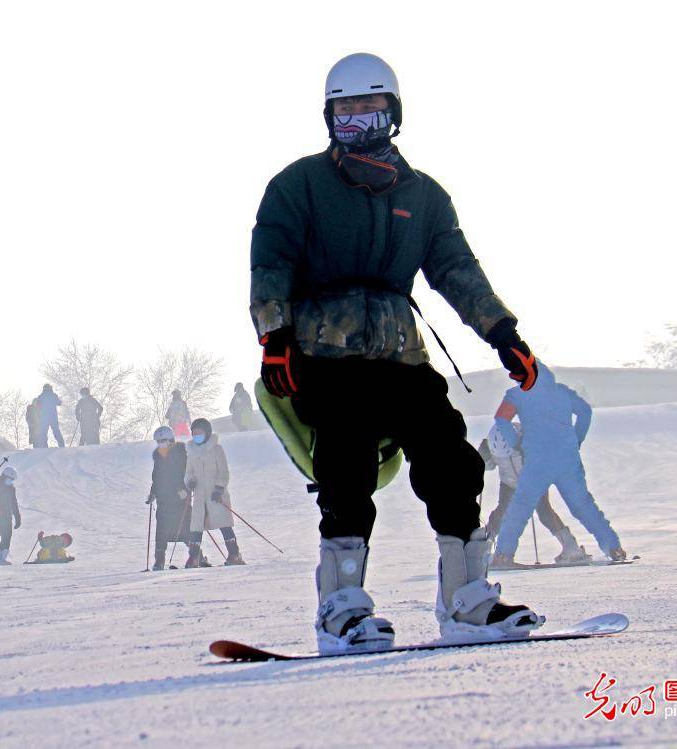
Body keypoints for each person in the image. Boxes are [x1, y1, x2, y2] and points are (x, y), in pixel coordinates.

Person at [250, 53, 543, 653]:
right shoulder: (298, 185)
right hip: (323, 351)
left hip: (400, 355)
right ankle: (342, 606)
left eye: (369, 106)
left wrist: (503, 334)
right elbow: (271, 259)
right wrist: (274, 336)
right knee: (347, 457)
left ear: (393, 112)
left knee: (452, 458)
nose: (357, 118)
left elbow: (457, 270)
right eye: (345, 108)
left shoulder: (424, 196)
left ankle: (467, 600)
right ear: (329, 116)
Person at [490, 362, 626, 566]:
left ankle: (503, 555)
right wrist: (576, 440)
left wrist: (516, 443)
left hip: (537, 460)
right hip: (567, 459)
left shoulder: (516, 394)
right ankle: (613, 547)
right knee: (583, 505)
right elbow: (585, 412)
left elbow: (501, 419)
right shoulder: (562, 391)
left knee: (520, 507)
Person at [481, 422, 588, 564]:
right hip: (509, 482)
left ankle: (571, 548)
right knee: (502, 512)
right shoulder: (493, 442)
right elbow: (488, 466)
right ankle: (483, 550)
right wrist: (481, 458)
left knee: (544, 511)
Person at [184, 418, 244, 567]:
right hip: (199, 496)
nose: (196, 435)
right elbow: (188, 472)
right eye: (194, 433)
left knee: (224, 524)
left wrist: (219, 488)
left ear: (207, 432)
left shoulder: (217, 449)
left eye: (199, 432)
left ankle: (234, 554)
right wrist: (189, 481)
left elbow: (224, 472)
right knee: (196, 527)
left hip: (215, 495)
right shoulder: (191, 452)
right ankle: (193, 558)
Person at [146, 426, 192, 570]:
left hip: (179, 499)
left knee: (185, 529)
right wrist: (153, 493)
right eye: (158, 441)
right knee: (161, 531)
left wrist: (185, 489)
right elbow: (156, 478)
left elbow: (185, 474)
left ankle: (196, 556)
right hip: (163, 501)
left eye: (163, 440)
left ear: (171, 440)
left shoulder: (181, 454)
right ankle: (159, 561)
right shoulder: (158, 458)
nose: (161, 444)